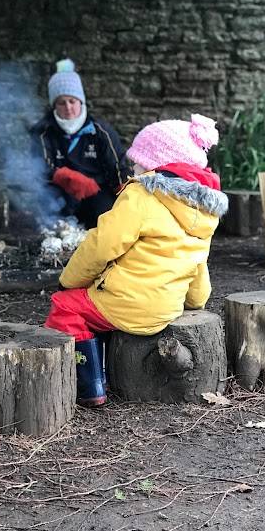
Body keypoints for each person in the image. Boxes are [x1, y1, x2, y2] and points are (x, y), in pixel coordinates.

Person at [45, 113, 229, 407]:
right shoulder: (202, 210)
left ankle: (90, 385)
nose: (132, 167)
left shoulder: (141, 196)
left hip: (128, 304)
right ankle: (103, 370)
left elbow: (101, 245)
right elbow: (198, 263)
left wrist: (69, 280)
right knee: (98, 304)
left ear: (155, 164)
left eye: (137, 161)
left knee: (66, 306)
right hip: (166, 307)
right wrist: (195, 302)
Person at [30, 59, 131, 228]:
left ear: (81, 101)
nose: (68, 108)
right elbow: (39, 170)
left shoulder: (100, 131)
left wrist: (125, 195)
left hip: (96, 191)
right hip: (60, 192)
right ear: (54, 105)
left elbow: (117, 169)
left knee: (106, 217)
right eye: (61, 102)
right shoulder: (42, 132)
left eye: (72, 101)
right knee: (51, 212)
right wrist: (62, 176)